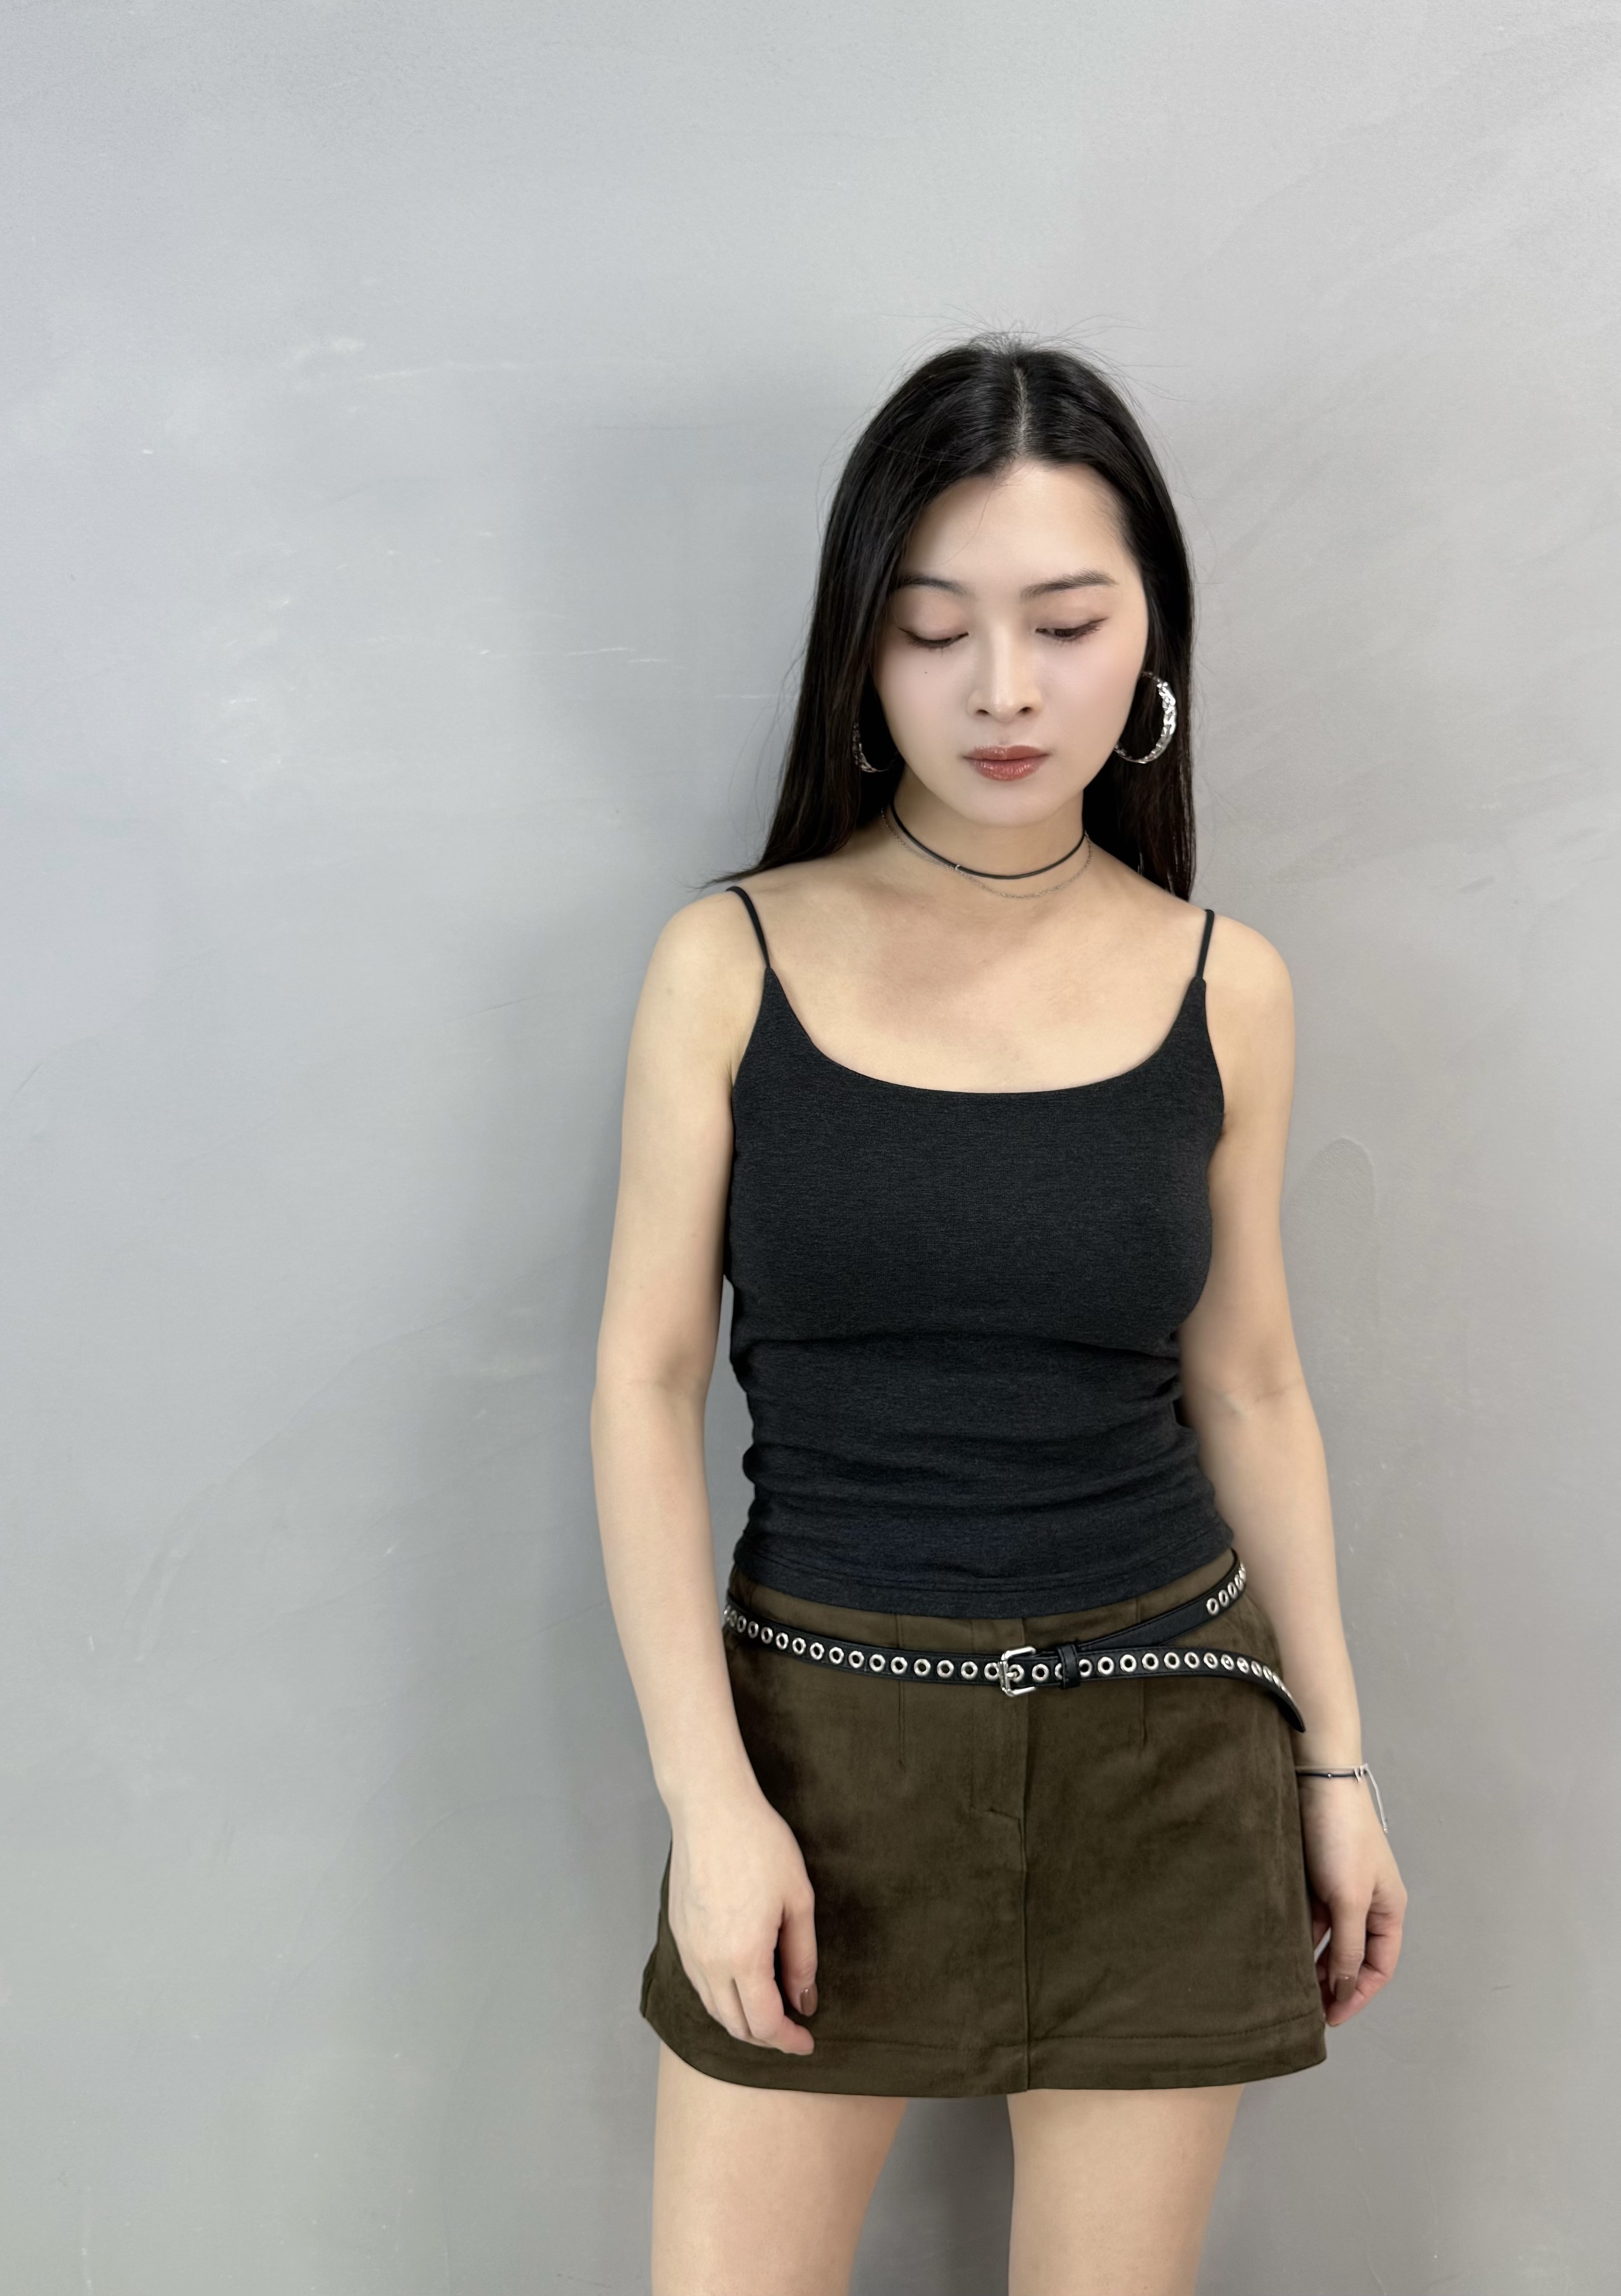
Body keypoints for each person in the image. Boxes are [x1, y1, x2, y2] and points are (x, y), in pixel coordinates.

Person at [591, 337, 1407, 2296]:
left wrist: (1336, 1765)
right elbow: (643, 1378)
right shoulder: (731, 958)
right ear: (861, 649)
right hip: (824, 1748)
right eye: (934, 626)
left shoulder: (1226, 983)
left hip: (1165, 1748)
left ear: (1152, 634)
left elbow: (1251, 1384)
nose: (1005, 688)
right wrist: (711, 1800)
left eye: (1064, 620)